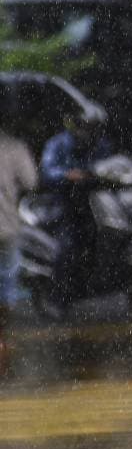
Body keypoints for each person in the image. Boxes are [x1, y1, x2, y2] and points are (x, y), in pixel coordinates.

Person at [39, 113, 114, 301]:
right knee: (67, 246)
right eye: (86, 126)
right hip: (65, 203)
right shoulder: (59, 144)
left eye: (94, 127)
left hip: (95, 204)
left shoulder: (100, 145)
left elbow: (111, 165)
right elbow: (47, 171)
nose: (89, 131)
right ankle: (58, 298)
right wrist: (67, 175)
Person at [0, 129, 37, 375]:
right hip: (6, 228)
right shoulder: (13, 147)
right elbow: (31, 181)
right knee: (6, 287)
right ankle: (2, 340)